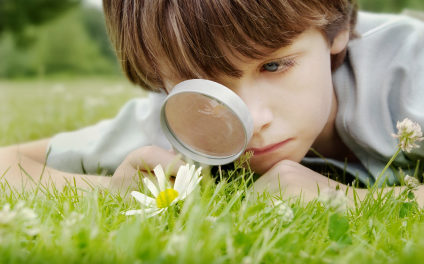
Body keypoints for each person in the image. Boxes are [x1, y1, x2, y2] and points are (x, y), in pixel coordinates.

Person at [1, 0, 423, 204]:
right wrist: (112, 192)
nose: (252, 120)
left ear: (335, 31)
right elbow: (9, 164)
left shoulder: (411, 67)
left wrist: (359, 203)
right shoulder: (181, 120)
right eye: (205, 87)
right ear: (161, 81)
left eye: (275, 67)